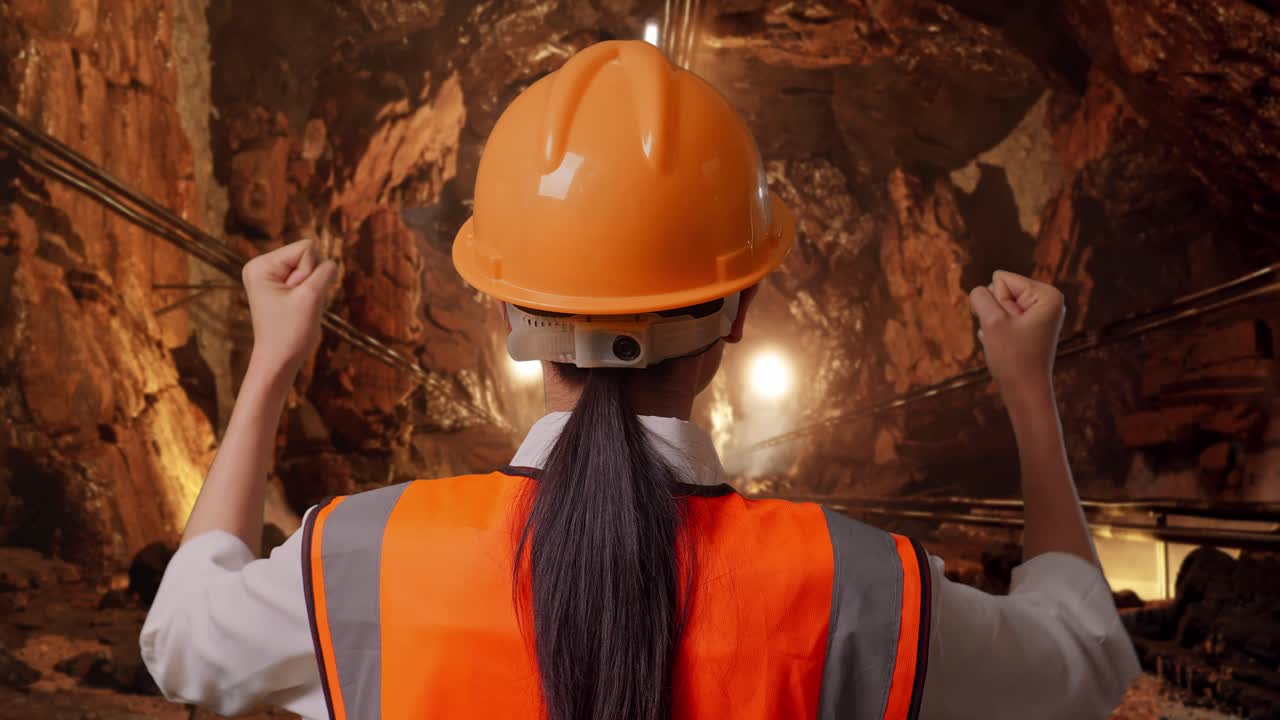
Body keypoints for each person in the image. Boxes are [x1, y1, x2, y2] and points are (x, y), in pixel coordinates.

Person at [141, 40, 1138, 720]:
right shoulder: (853, 585)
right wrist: (1025, 394)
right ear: (738, 314)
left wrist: (270, 364)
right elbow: (1083, 660)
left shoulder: (362, 554)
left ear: (503, 311)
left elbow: (180, 634)